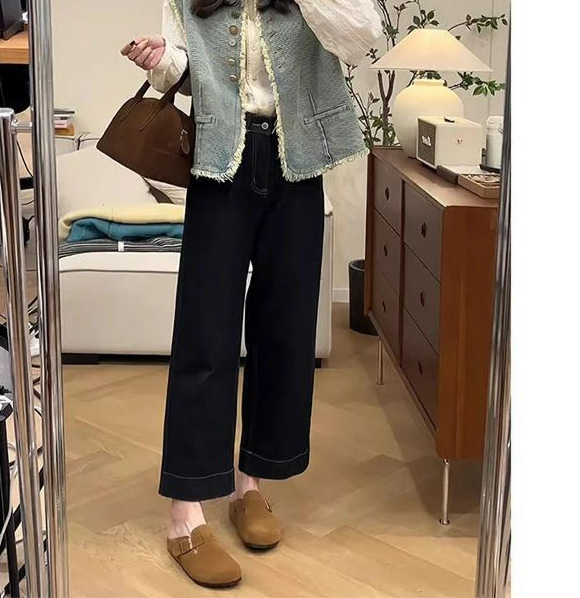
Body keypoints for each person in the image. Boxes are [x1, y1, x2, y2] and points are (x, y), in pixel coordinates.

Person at [121, 0, 381, 588]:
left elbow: (362, 34)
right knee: (205, 334)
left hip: (298, 164)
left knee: (285, 329)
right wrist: (161, 61)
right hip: (221, 163)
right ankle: (185, 511)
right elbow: (186, 69)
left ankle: (250, 484)